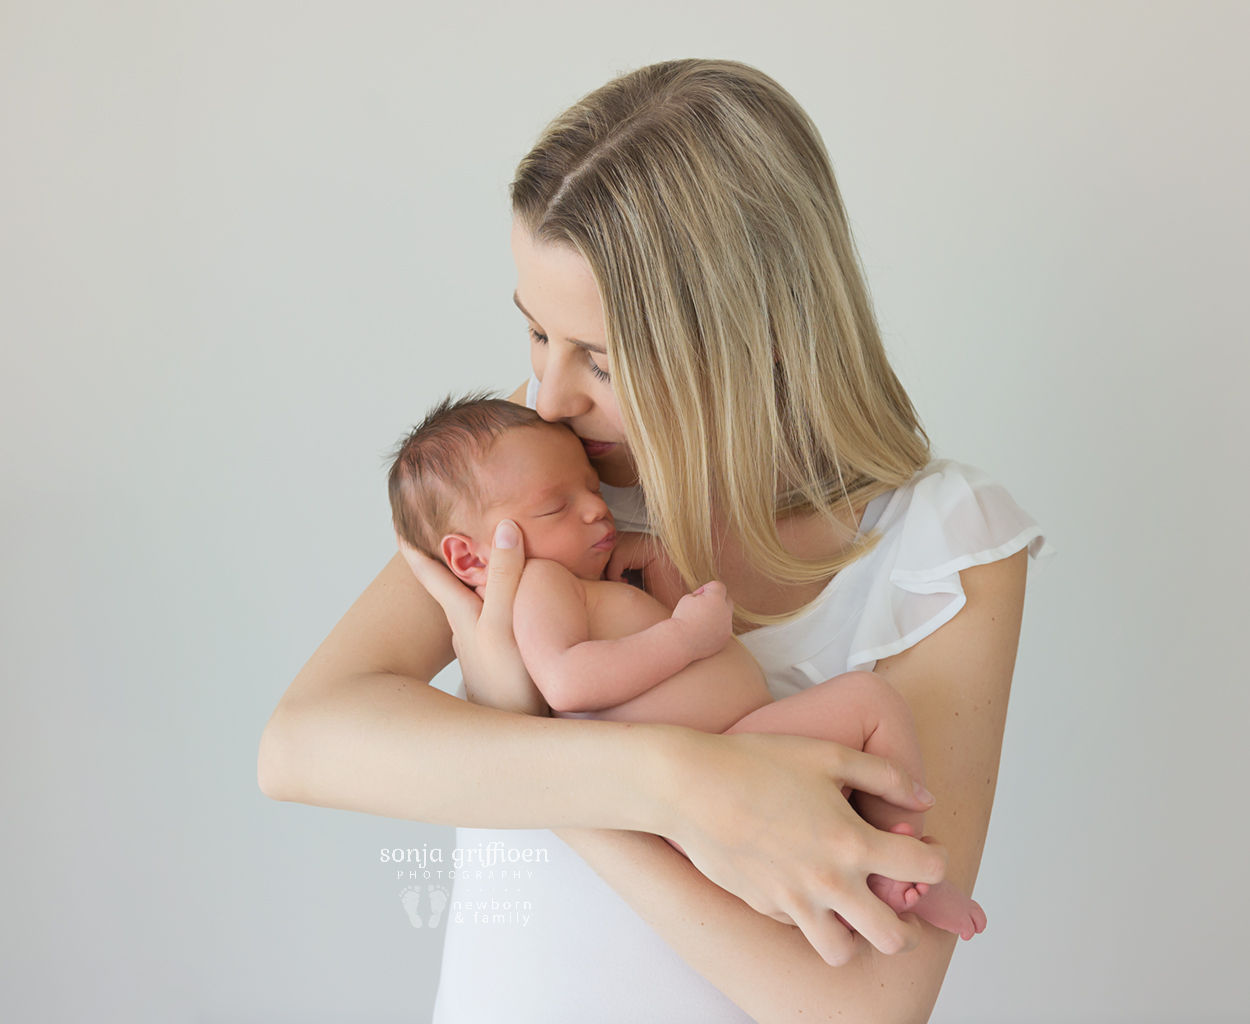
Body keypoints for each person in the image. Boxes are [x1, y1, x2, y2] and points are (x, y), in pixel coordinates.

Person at [259, 58, 1050, 1023]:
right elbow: (302, 746)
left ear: (752, 335)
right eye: (537, 335)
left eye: (598, 355)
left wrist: (541, 745)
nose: (549, 394)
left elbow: (867, 1007)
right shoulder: (539, 473)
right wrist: (680, 786)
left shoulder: (944, 546)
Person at [387, 394, 988, 939]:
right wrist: (683, 638)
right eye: (556, 507)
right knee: (870, 703)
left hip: (743, 750)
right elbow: (568, 683)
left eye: (591, 488)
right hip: (716, 767)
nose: (597, 510)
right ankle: (901, 862)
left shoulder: (589, 578)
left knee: (868, 707)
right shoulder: (541, 583)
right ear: (471, 555)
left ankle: (889, 855)